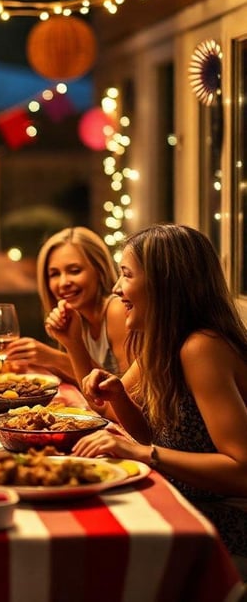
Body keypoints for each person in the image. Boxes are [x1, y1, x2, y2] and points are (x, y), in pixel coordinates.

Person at [70, 224, 247, 572]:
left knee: (96, 555)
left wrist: (142, 454)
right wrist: (120, 397)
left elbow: (242, 471)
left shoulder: (202, 347)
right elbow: (157, 438)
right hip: (187, 506)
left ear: (165, 284)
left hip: (224, 525)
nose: (117, 288)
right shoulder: (161, 343)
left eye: (126, 275)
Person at [6, 226, 129, 384]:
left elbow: (126, 393)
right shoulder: (77, 317)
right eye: (55, 274)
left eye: (75, 270)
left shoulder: (117, 310)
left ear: (99, 270)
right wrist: (39, 360)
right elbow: (79, 379)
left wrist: (56, 358)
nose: (63, 283)